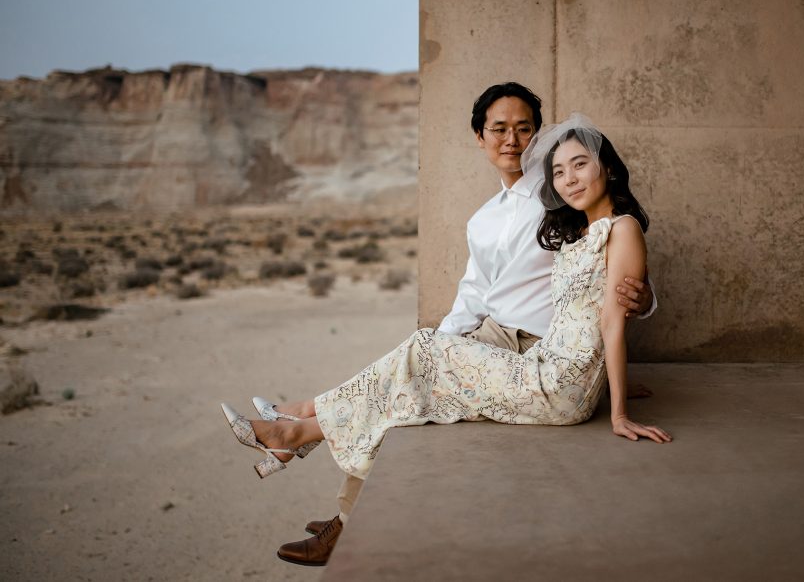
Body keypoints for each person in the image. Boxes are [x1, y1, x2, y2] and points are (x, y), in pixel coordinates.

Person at [221, 113, 671, 566]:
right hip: (543, 364)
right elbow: (550, 311)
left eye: (580, 165)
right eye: (559, 171)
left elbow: (614, 322)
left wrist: (617, 410)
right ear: (481, 138)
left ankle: (299, 428)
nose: (569, 179)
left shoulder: (622, 228)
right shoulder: (566, 231)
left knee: (422, 354)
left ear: (606, 168)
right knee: (417, 364)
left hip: (556, 381)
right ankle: (311, 448)